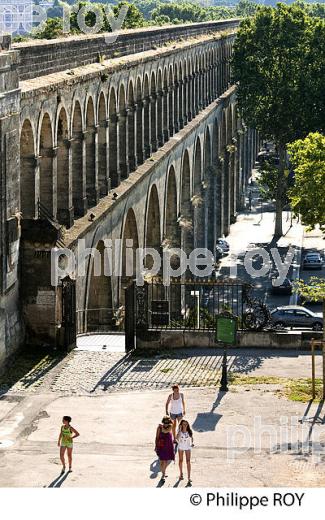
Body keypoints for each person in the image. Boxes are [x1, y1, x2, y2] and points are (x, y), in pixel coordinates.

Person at [155, 416, 175, 482]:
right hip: (161, 445)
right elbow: (157, 437)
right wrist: (156, 446)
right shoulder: (159, 428)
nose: (165, 424)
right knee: (161, 461)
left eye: (167, 422)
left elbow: (165, 431)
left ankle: (163, 474)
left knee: (166, 461)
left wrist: (162, 426)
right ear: (163, 422)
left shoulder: (170, 426)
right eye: (164, 423)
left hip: (168, 445)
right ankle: (163, 472)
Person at [177, 419, 194, 484]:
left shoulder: (189, 431)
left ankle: (189, 477)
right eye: (184, 424)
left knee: (188, 461)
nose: (185, 425)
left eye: (186, 424)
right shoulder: (179, 431)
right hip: (181, 447)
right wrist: (179, 430)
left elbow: (192, 438)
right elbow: (177, 438)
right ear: (181, 425)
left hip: (187, 447)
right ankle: (181, 474)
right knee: (181, 460)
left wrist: (192, 443)